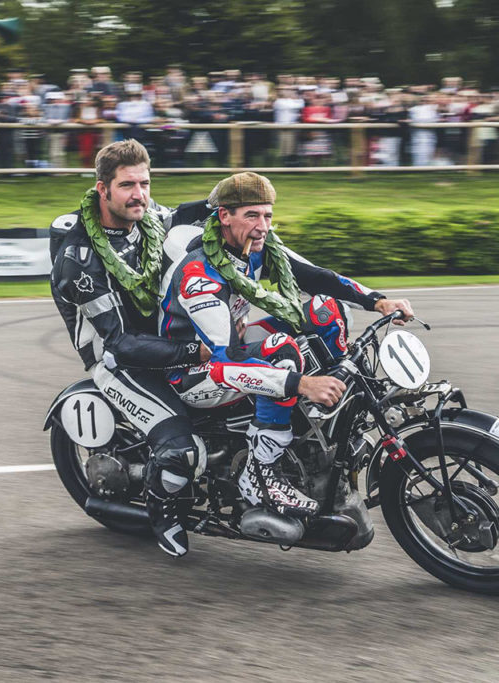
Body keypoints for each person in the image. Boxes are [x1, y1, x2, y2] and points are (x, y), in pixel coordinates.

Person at [159, 173, 414, 517]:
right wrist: (302, 383)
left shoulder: (253, 246)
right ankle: (260, 472)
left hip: (231, 346)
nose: (263, 226)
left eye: (267, 215)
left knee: (324, 309)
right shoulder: (199, 274)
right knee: (282, 349)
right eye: (252, 215)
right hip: (194, 372)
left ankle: (333, 415)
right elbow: (225, 362)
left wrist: (378, 301)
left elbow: (316, 277)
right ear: (224, 216)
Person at [49, 139, 212, 557]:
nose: (139, 194)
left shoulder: (147, 217)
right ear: (103, 189)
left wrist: (226, 203)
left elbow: (178, 215)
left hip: (163, 339)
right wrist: (195, 352)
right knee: (182, 450)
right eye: (127, 185)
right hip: (118, 361)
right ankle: (162, 509)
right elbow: (120, 344)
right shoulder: (80, 258)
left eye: (145, 183)